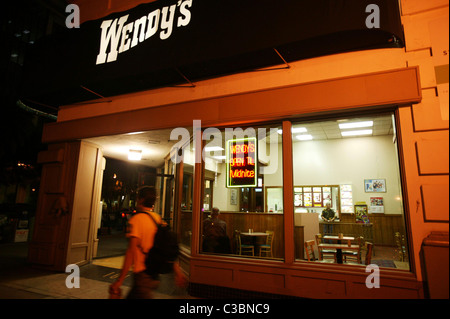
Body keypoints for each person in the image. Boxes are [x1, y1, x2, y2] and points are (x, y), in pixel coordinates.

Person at [109, 186, 187, 299]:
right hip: (154, 275)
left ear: (140, 200)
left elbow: (130, 252)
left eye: (137, 198)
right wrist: (178, 273)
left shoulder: (136, 220)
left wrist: (119, 281)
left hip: (142, 275)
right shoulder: (158, 219)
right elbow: (165, 249)